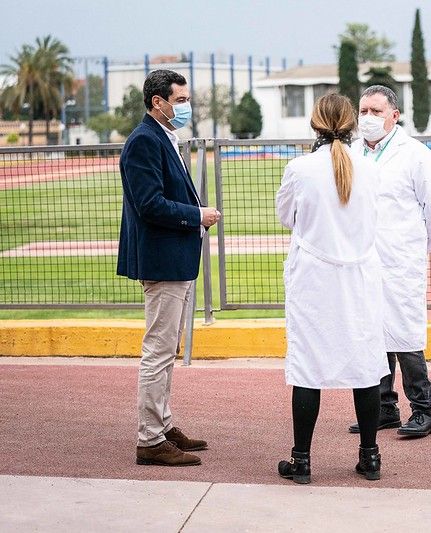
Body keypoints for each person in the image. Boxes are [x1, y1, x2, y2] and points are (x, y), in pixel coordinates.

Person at [275, 93, 389, 484]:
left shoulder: (300, 168)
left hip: (314, 279)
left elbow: (285, 216)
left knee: (308, 368)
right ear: (352, 123)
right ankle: (370, 457)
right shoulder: (370, 168)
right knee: (366, 365)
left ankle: (302, 461)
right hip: (359, 278)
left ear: (315, 124)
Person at [118, 70, 221, 466]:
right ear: (157, 102)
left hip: (175, 259)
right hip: (162, 260)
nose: (185, 107)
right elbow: (149, 204)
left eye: (186, 100)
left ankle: (161, 425)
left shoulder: (163, 137)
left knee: (166, 350)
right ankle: (149, 439)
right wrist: (197, 215)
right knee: (158, 352)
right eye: (180, 101)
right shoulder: (144, 141)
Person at [347, 85, 431, 438]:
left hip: (400, 259)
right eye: (363, 111)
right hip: (363, 260)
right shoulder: (351, 153)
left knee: (405, 336)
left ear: (395, 115)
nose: (368, 118)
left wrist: (417, 244)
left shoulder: (416, 155)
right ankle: (383, 408)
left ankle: (423, 409)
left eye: (376, 111)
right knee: (372, 335)